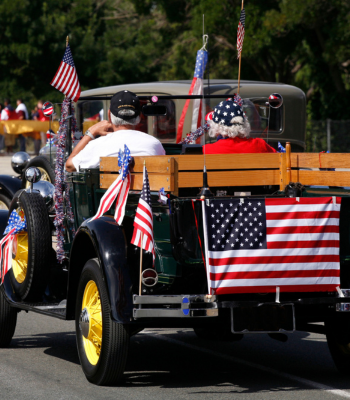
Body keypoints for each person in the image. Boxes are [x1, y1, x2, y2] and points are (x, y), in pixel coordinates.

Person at [66, 90, 166, 172]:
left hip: (110, 196)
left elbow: (69, 166)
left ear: (109, 115)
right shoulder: (154, 143)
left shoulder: (98, 145)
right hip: (146, 196)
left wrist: (91, 133)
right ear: (139, 117)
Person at [203, 98, 276, 154]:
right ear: (244, 123)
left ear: (216, 126)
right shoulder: (260, 145)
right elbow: (280, 159)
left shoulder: (206, 151)